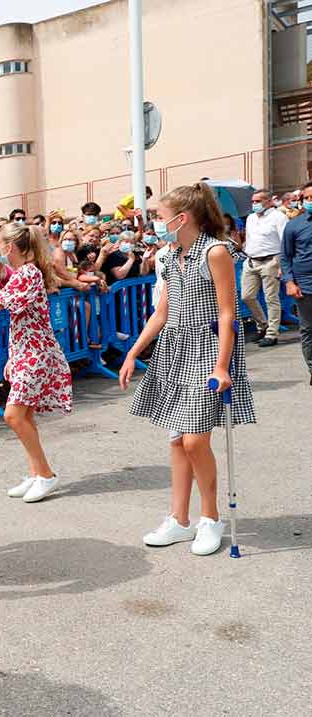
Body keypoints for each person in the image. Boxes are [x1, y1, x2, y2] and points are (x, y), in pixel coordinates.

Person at [121, 182, 255, 556]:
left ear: (182, 218)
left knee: (195, 439)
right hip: (174, 349)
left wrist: (223, 365)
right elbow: (162, 311)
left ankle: (210, 518)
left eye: (162, 218)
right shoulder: (167, 256)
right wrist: (133, 352)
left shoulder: (215, 251)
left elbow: (229, 312)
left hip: (210, 348)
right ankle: (179, 520)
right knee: (178, 439)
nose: (157, 225)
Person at [0, 223, 72, 503]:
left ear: (9, 247)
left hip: (36, 352)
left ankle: (46, 474)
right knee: (25, 416)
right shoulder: (20, 274)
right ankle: (35, 473)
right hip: (24, 351)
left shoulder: (28, 273)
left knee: (13, 415)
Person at [242, 190, 288, 348]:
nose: (254, 204)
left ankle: (272, 334)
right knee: (247, 296)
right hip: (251, 261)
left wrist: (283, 264)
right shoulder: (251, 218)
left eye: (258, 201)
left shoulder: (278, 217)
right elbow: (249, 239)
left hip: (271, 261)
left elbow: (285, 241)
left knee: (271, 298)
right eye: (253, 201)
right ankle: (263, 325)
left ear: (268, 201)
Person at [281, 181, 312, 385]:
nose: (310, 201)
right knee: (308, 329)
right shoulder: (294, 225)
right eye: (307, 198)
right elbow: (285, 256)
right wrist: (290, 282)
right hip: (305, 286)